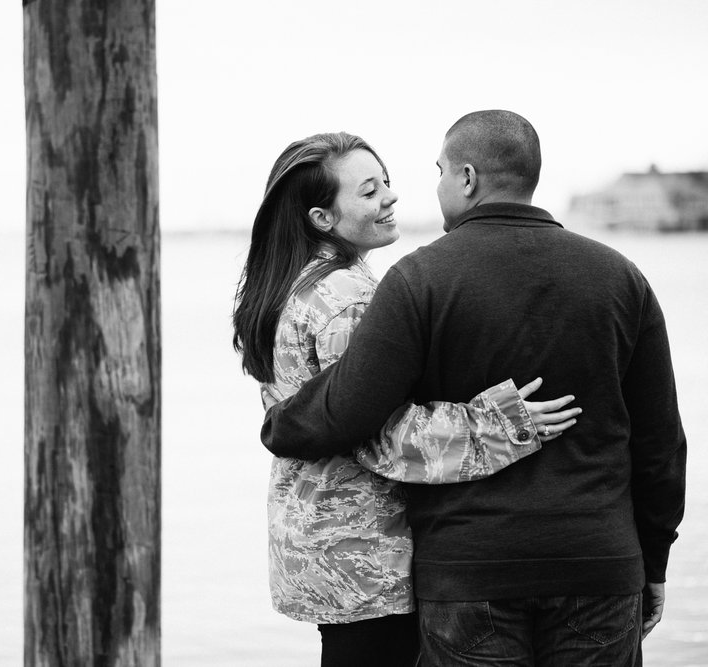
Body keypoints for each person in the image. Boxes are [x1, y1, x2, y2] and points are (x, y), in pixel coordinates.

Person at [261, 113, 687, 666]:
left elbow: (350, 411)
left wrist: (281, 421)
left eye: (436, 172)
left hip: (467, 570)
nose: (409, 193)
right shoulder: (621, 276)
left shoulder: (419, 279)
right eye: (374, 188)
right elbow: (660, 443)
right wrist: (653, 563)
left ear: (465, 178)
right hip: (600, 562)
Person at [232, 131, 581, 666]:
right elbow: (375, 433)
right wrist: (504, 424)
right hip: (367, 552)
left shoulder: (292, 285)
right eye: (369, 192)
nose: (391, 197)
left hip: (321, 542)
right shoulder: (346, 297)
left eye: (387, 182)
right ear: (322, 218)